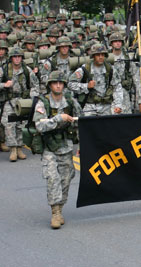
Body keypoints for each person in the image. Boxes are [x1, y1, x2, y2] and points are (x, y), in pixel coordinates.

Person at [33, 70, 82, 229]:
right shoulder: (43, 103)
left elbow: (81, 122)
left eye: (61, 83)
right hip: (49, 147)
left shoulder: (71, 102)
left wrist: (82, 144)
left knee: (66, 180)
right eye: (55, 83)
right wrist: (57, 119)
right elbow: (39, 125)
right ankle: (55, 212)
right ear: (50, 85)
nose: (58, 85)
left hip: (66, 146)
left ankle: (60, 208)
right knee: (53, 179)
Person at [0, 47, 39, 161]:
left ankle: (19, 148)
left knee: (21, 125)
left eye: (19, 57)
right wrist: (4, 85)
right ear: (11, 58)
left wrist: (32, 97)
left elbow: (35, 85)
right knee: (9, 124)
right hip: (9, 101)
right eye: (15, 57)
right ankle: (13, 148)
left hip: (23, 101)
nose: (17, 59)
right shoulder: (4, 70)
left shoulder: (27, 70)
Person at [68, 43, 123, 116]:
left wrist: (118, 105)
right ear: (93, 56)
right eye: (98, 55)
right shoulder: (84, 69)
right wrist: (86, 86)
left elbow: (117, 87)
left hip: (106, 106)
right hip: (89, 106)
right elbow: (70, 84)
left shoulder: (110, 69)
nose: (100, 57)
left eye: (102, 55)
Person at [109, 32, 140, 114]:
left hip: (125, 93)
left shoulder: (128, 58)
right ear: (111, 43)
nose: (118, 43)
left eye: (119, 41)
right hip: (110, 93)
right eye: (115, 41)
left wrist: (139, 100)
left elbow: (136, 78)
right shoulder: (107, 58)